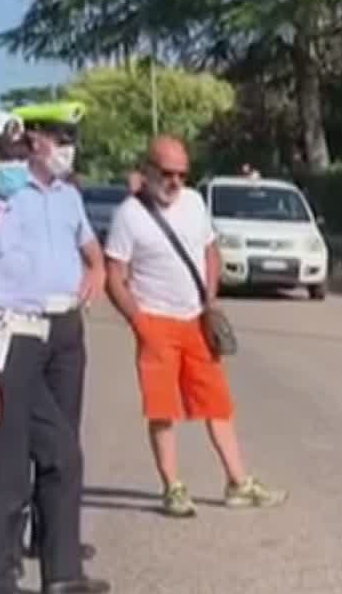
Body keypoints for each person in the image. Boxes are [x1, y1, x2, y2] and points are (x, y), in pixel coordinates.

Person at [0, 110, 109, 594]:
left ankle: (61, 572)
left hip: (33, 335)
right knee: (6, 472)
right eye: (3, 157)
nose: (15, 166)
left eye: (19, 156)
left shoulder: (10, 205)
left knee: (61, 452)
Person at [102, 135, 285, 517]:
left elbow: (209, 251)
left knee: (217, 404)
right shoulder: (129, 216)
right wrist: (138, 321)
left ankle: (238, 482)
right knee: (162, 409)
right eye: (167, 173)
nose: (175, 183)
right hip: (155, 321)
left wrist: (210, 301)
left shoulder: (194, 204)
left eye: (182, 175)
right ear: (147, 171)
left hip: (195, 320)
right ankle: (173, 487)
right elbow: (114, 275)